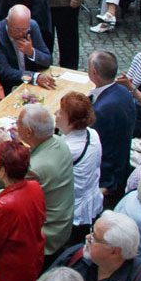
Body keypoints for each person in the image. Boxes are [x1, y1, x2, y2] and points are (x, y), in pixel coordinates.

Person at [0, 104, 75, 264]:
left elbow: (11, 200)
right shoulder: (58, 142)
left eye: (17, 123)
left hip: (46, 233)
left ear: (29, 133)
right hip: (63, 224)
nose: (14, 127)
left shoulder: (35, 169)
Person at [0, 140, 46, 281]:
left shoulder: (2, 206)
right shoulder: (35, 187)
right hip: (33, 261)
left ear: (2, 170)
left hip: (9, 275)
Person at [87, 50, 137, 201]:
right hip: (122, 161)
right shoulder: (123, 91)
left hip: (107, 175)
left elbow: (95, 146)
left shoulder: (101, 110)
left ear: (94, 72)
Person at [57, 92, 103, 241]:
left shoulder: (67, 149)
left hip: (74, 210)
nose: (56, 114)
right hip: (90, 200)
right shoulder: (92, 133)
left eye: (61, 113)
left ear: (71, 122)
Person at [0, 5, 55, 93]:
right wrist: (34, 77)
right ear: (7, 22)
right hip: (11, 86)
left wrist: (31, 52)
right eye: (17, 30)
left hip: (32, 85)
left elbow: (48, 60)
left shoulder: (32, 26)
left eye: (24, 29)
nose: (21, 33)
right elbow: (4, 71)